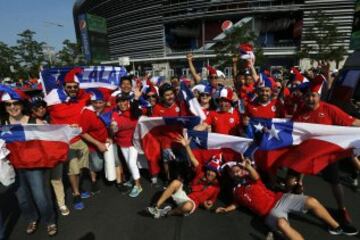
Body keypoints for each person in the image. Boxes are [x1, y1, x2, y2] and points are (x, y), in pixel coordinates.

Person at [216, 159, 358, 240]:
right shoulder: (235, 191)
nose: (236, 172)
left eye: (238, 169)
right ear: (230, 175)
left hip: (280, 198)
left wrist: (247, 167)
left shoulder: (250, 178)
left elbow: (256, 176)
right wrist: (226, 208)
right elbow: (237, 203)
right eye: (233, 171)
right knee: (282, 224)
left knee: (311, 201)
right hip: (269, 213)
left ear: (242, 170)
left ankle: (337, 227)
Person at [292, 77, 360, 224]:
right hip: (307, 152)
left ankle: (342, 209)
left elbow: (352, 122)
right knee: (293, 177)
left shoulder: (329, 109)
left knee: (335, 183)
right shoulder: (300, 113)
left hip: (326, 155)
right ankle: (299, 188)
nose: (310, 99)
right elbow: (293, 130)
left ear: (319, 96)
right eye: (307, 96)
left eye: (313, 96)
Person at [1, 92, 57, 236]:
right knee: (23, 200)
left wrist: (68, 130)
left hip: (34, 166)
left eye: (16, 103)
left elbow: (53, 137)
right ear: (5, 107)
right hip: (13, 167)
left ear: (22, 105)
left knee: (41, 197)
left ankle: (50, 220)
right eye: (8, 104)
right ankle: (32, 218)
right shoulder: (2, 123)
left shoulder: (33, 121)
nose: (12, 107)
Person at [45, 67, 91, 210]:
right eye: (69, 87)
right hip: (66, 142)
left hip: (81, 140)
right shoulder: (53, 101)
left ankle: (77, 187)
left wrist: (75, 72)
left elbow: (95, 96)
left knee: (82, 168)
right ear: (63, 87)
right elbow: (37, 110)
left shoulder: (81, 99)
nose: (72, 89)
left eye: (75, 87)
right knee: (73, 170)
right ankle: (76, 193)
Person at [147, 132, 220, 218]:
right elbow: (192, 158)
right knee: (175, 182)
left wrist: (208, 204)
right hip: (185, 192)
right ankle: (155, 206)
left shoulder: (217, 188)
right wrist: (186, 146)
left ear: (216, 174)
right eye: (209, 170)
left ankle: (168, 212)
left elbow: (210, 202)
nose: (210, 173)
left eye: (213, 171)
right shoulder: (201, 171)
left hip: (192, 202)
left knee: (187, 206)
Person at [29, 96, 70, 216]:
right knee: (44, 185)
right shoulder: (28, 123)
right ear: (32, 110)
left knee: (57, 180)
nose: (41, 109)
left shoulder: (51, 118)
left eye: (43, 107)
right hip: (40, 159)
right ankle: (47, 207)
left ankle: (61, 204)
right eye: (37, 107)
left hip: (55, 156)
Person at [80, 90, 114, 195]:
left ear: (105, 102)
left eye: (101, 102)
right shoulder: (87, 113)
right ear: (91, 102)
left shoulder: (108, 110)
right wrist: (98, 144)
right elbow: (82, 133)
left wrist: (110, 136)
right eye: (95, 102)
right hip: (93, 145)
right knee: (97, 166)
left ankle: (118, 180)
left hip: (107, 142)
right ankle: (94, 180)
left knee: (114, 162)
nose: (98, 105)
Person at [111, 88, 144, 197]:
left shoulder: (134, 111)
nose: (122, 103)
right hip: (122, 143)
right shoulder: (115, 113)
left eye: (124, 101)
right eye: (120, 101)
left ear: (128, 101)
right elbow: (113, 126)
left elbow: (137, 110)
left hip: (134, 142)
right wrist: (113, 127)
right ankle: (132, 178)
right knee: (129, 163)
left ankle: (138, 186)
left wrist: (136, 98)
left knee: (131, 163)